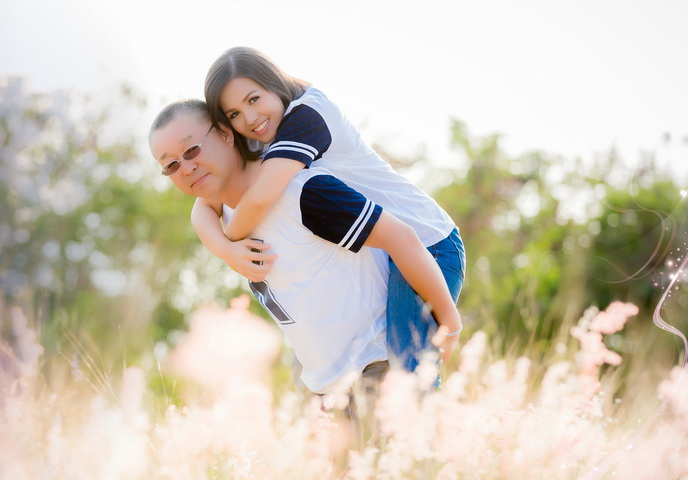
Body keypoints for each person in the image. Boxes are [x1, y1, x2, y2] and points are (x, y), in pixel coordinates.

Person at [150, 99, 460, 395]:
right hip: (325, 387)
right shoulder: (225, 215)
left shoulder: (300, 191)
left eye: (191, 150)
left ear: (225, 134)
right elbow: (202, 208)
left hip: (379, 370)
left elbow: (401, 238)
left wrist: (449, 323)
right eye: (171, 166)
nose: (186, 168)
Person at [196, 46, 465, 371]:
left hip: (426, 240)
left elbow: (260, 198)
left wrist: (232, 245)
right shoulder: (265, 129)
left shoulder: (306, 117)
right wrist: (224, 249)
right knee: (400, 376)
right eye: (234, 114)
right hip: (391, 248)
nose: (249, 119)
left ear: (274, 83)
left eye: (253, 99)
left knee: (411, 372)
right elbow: (203, 205)